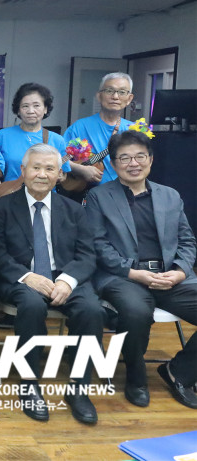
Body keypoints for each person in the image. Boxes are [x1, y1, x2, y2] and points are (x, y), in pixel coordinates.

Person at [0, 144, 104, 424]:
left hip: (65, 276)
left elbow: (87, 254)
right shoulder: (1, 207)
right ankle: (29, 385)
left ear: (60, 175)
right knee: (30, 305)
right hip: (20, 277)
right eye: (36, 168)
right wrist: (27, 277)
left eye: (49, 169)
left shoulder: (75, 210)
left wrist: (66, 280)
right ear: (23, 171)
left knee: (92, 309)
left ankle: (79, 389)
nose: (42, 174)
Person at [85, 130, 197, 410]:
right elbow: (97, 244)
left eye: (139, 156)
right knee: (136, 313)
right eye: (124, 158)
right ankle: (135, 376)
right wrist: (133, 273)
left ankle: (179, 371)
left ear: (151, 160)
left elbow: (187, 241)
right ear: (113, 163)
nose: (133, 163)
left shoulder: (170, 196)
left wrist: (181, 271)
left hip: (170, 276)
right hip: (124, 276)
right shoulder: (99, 196)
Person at [0, 83, 71, 194]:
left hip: (44, 198)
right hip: (10, 197)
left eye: (36, 106)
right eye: (25, 106)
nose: (31, 111)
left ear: (45, 109)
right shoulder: (2, 136)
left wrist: (58, 177)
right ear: (18, 110)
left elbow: (63, 176)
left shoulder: (57, 140)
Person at [64, 72, 134, 187]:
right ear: (99, 96)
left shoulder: (134, 130)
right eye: (109, 91)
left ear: (129, 99)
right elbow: (59, 159)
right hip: (90, 195)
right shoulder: (80, 127)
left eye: (122, 92)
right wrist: (79, 169)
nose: (115, 97)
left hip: (126, 193)